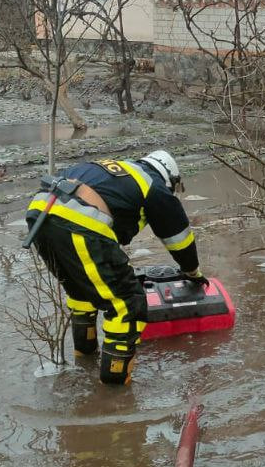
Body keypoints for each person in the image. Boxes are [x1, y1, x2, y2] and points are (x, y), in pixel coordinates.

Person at [23, 150, 203, 385]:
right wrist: (193, 273)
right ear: (170, 177)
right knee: (127, 304)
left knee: (81, 292)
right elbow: (179, 240)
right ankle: (114, 391)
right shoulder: (154, 185)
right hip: (79, 222)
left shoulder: (120, 171)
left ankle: (85, 360)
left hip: (39, 215)